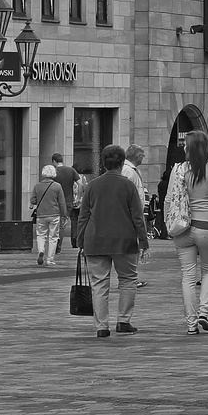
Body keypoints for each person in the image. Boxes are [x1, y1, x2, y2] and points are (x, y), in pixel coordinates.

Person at [76, 144, 149, 338]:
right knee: (128, 280)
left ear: (104, 162)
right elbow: (137, 216)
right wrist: (143, 241)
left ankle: (101, 326)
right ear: (121, 162)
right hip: (124, 240)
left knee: (99, 283)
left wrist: (80, 240)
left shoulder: (92, 185)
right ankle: (123, 321)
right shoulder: (128, 185)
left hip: (95, 240)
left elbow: (83, 215)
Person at [171, 130, 208, 335]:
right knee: (207, 271)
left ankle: (190, 323)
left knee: (187, 277)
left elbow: (169, 199)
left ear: (188, 148)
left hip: (183, 229)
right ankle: (204, 312)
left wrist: (168, 225)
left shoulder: (179, 170)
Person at [121, 145, 150, 288]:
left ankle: (132, 276)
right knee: (131, 247)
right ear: (137, 155)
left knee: (134, 246)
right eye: (142, 155)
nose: (143, 158)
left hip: (134, 212)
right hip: (130, 214)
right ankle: (129, 277)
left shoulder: (131, 170)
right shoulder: (127, 170)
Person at [30, 164, 65, 267]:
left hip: (41, 214)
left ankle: (41, 250)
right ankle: (50, 260)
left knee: (41, 235)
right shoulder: (57, 186)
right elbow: (62, 202)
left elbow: (32, 200)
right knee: (53, 237)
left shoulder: (37, 186)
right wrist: (64, 215)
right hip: (54, 214)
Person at [51, 153, 79, 244]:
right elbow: (80, 184)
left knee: (54, 225)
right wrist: (78, 197)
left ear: (54, 161)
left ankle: (54, 245)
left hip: (55, 202)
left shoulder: (53, 172)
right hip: (68, 201)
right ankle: (58, 246)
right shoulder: (71, 170)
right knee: (62, 225)